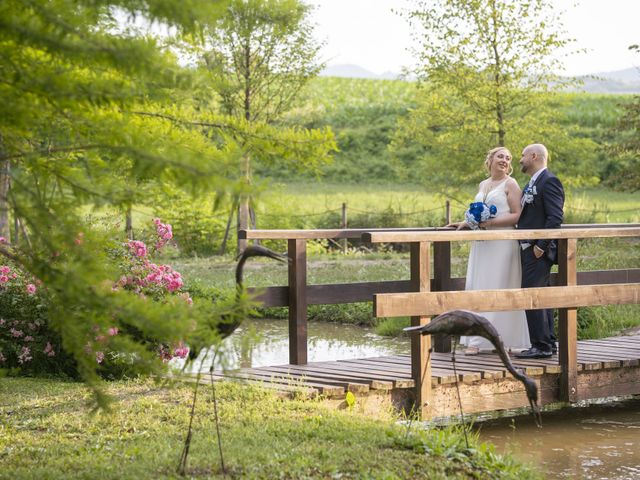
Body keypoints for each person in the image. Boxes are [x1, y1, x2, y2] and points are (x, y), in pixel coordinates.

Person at [447, 147, 530, 354]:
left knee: (500, 285)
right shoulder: (483, 184)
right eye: (500, 156)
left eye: (508, 158)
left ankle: (504, 339)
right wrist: (466, 222)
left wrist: (490, 224)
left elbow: (518, 215)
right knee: (480, 285)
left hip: (503, 243)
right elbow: (478, 214)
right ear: (491, 159)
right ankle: (477, 339)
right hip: (482, 244)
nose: (504, 160)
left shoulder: (511, 184)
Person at [514, 143, 564, 359]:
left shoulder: (549, 181)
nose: (520, 160)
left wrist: (540, 247)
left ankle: (541, 346)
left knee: (532, 295)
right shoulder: (532, 183)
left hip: (538, 250)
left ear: (534, 156)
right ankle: (549, 342)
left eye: (523, 156)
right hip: (530, 248)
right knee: (542, 295)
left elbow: (555, 218)